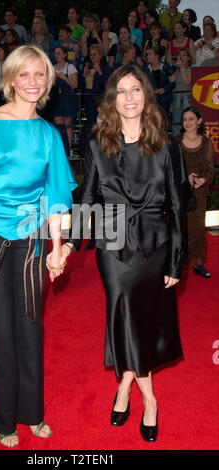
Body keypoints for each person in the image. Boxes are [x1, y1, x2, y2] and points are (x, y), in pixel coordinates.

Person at [0, 45, 77, 448]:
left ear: (48, 81)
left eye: (39, 75)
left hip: (31, 244)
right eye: (24, 74)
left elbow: (57, 198)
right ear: (10, 79)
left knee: (30, 327)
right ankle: (4, 420)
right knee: (0, 331)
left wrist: (58, 249)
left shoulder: (48, 133)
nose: (32, 82)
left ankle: (32, 414)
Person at [62, 64, 185, 443]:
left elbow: (179, 207)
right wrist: (70, 242)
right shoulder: (97, 143)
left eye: (136, 90)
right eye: (121, 91)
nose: (129, 98)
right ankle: (151, 401)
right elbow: (87, 197)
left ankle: (124, 386)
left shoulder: (167, 145)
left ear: (146, 96)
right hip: (111, 243)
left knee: (142, 321)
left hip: (155, 244)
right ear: (112, 99)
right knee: (124, 314)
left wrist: (177, 260)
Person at [176, 107, 215, 278]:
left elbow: (210, 169)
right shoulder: (175, 141)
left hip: (198, 194)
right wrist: (186, 177)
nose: (187, 123)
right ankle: (176, 263)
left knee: (198, 229)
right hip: (179, 192)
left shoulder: (206, 143)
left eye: (191, 119)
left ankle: (198, 263)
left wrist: (203, 180)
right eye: (184, 119)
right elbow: (170, 168)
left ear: (199, 121)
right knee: (178, 228)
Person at [53, 45, 78, 150]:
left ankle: (68, 149)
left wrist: (64, 78)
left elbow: (75, 85)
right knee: (58, 127)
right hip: (56, 99)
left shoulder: (70, 67)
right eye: (55, 53)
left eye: (59, 53)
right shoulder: (52, 68)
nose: (56, 55)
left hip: (67, 99)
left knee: (68, 126)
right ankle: (60, 149)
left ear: (65, 54)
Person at [143, 45, 174, 119]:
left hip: (165, 99)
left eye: (150, 54)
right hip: (151, 99)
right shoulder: (145, 69)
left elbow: (172, 82)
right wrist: (151, 91)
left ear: (156, 56)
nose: (147, 56)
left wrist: (164, 89)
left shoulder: (166, 66)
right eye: (147, 54)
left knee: (163, 119)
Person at [170, 48, 192, 136]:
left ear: (188, 58)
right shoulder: (176, 69)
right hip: (177, 98)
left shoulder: (192, 68)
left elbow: (187, 82)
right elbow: (172, 80)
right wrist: (174, 67)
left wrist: (182, 69)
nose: (182, 58)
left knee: (189, 121)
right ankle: (177, 144)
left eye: (184, 56)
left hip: (188, 98)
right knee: (177, 122)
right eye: (180, 56)